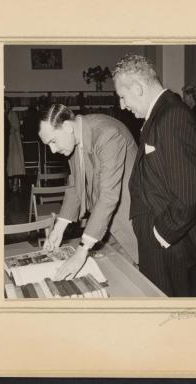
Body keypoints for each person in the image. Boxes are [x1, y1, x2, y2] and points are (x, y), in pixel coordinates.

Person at [113, 54, 196, 297]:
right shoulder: (158, 115)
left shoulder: (172, 116)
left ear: (137, 87)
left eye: (122, 97)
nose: (122, 105)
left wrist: (161, 234)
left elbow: (190, 192)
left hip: (171, 244)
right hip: (160, 239)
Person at [38, 104, 138, 280]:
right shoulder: (75, 137)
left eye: (53, 141)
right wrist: (58, 229)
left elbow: (108, 195)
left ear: (68, 127)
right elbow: (76, 185)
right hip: (103, 227)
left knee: (134, 285)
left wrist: (82, 249)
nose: (53, 150)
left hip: (129, 225)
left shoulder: (107, 133)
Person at [6, 104, 26, 192]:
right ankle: (8, 185)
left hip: (13, 143)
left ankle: (15, 185)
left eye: (7, 104)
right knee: (7, 166)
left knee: (15, 166)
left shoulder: (13, 114)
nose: (5, 106)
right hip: (5, 143)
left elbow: (14, 128)